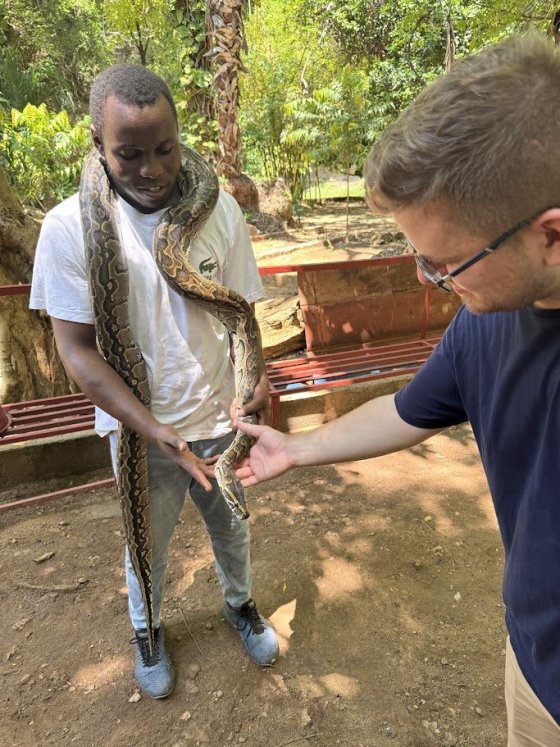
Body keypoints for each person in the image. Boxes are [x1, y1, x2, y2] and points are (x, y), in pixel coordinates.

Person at [234, 33, 560, 746]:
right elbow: (409, 409)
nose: (426, 278)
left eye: (445, 262)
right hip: (536, 664)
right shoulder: (484, 319)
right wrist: (297, 448)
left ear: (551, 235)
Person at [29, 63, 279, 700]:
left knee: (233, 530)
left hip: (221, 419)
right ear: (99, 145)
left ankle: (241, 604)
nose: (152, 170)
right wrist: (151, 428)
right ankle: (147, 631)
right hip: (142, 433)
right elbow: (77, 353)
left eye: (165, 149)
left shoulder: (218, 210)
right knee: (146, 546)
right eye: (130, 155)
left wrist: (258, 376)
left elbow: (242, 312)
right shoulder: (68, 229)